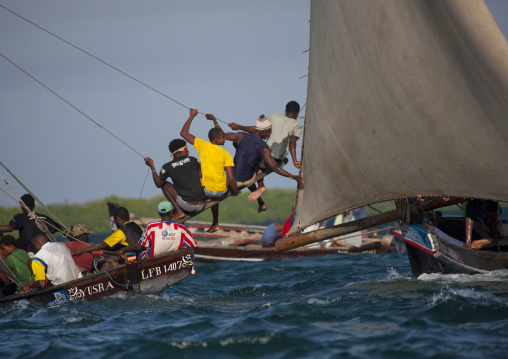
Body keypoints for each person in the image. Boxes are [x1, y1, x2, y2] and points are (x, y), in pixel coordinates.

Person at [205, 114, 304, 212]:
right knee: (252, 167)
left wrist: (214, 120)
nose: (269, 134)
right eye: (268, 132)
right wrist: (293, 177)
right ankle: (261, 196)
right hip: (249, 179)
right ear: (262, 132)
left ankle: (212, 213)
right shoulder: (264, 147)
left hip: (234, 181)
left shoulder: (240, 136)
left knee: (218, 170)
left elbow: (222, 135)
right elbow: (274, 167)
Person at [228, 101, 303, 208]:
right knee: (255, 171)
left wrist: (238, 126)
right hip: (277, 160)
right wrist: (295, 161)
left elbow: (257, 129)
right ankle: (261, 197)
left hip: (263, 156)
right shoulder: (297, 125)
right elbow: (292, 143)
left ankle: (261, 187)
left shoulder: (273, 117)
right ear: (298, 113)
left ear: (285, 111)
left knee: (252, 165)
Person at [180, 108, 240, 233]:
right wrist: (235, 191)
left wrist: (192, 116)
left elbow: (184, 133)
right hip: (221, 192)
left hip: (207, 192)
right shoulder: (225, 154)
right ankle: (216, 223)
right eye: (223, 138)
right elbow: (231, 178)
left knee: (199, 173)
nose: (225, 139)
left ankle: (213, 217)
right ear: (217, 140)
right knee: (221, 177)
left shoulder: (203, 145)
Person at [144, 138, 207, 220]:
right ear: (179, 152)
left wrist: (152, 166)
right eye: (186, 149)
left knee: (164, 185)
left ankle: (179, 212)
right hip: (202, 204)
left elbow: (158, 184)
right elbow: (202, 176)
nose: (188, 152)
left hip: (188, 206)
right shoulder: (193, 160)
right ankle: (208, 198)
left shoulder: (167, 167)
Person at [72, 207, 143, 269]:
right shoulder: (135, 225)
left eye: (114, 220)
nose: (115, 222)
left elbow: (102, 245)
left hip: (135, 259)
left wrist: (81, 251)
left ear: (118, 219)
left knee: (107, 264)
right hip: (142, 255)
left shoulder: (121, 231)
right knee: (112, 258)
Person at [0, 194, 65, 253]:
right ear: (34, 206)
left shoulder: (19, 218)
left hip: (31, 254)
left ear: (21, 206)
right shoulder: (44, 218)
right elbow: (62, 229)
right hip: (47, 252)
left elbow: (10, 228)